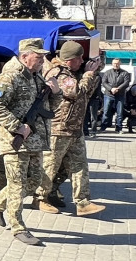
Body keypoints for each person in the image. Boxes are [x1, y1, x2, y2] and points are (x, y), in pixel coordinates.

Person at [0, 38, 51, 245]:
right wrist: (17, 126)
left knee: (33, 182)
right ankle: (18, 227)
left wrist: (55, 90)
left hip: (35, 140)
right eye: (38, 56)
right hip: (15, 141)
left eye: (42, 56)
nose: (42, 60)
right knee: (16, 184)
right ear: (24, 57)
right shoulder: (10, 77)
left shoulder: (35, 77)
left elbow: (48, 106)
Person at [36, 41, 105, 217]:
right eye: (79, 58)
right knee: (50, 166)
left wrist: (94, 73)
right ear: (68, 60)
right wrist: (89, 74)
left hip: (74, 128)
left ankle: (82, 202)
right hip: (59, 127)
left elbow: (87, 94)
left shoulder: (74, 73)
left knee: (79, 165)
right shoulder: (58, 73)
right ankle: (40, 197)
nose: (82, 61)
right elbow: (76, 92)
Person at [100, 58, 131, 132]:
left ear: (120, 64)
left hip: (120, 95)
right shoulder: (107, 72)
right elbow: (104, 82)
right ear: (112, 64)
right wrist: (111, 89)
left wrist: (118, 89)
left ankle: (119, 128)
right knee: (106, 111)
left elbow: (126, 83)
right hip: (108, 94)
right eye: (114, 63)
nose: (116, 65)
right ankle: (103, 127)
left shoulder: (125, 73)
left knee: (119, 112)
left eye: (117, 63)